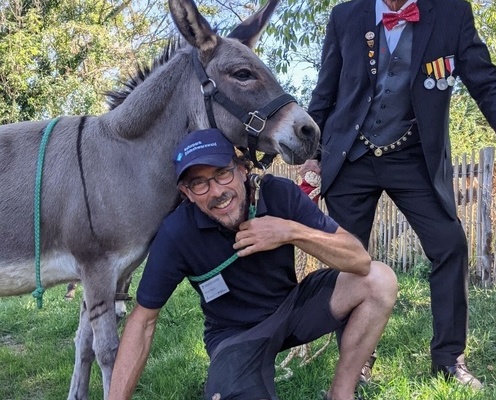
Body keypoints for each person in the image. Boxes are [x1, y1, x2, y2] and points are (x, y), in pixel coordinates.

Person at [302, 0, 496, 389]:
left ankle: (448, 360)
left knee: (450, 245)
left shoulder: (451, 13)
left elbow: (484, 80)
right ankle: (359, 359)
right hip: (350, 155)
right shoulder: (344, 16)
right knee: (349, 262)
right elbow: (326, 90)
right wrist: (313, 154)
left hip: (413, 156)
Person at [107, 128, 398, 400]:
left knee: (378, 280)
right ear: (187, 193)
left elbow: (358, 260)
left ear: (243, 169)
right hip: (235, 334)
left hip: (294, 307)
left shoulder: (279, 194)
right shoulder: (176, 234)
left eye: (222, 173)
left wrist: (290, 232)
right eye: (199, 183)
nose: (217, 191)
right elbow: (143, 320)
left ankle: (341, 392)